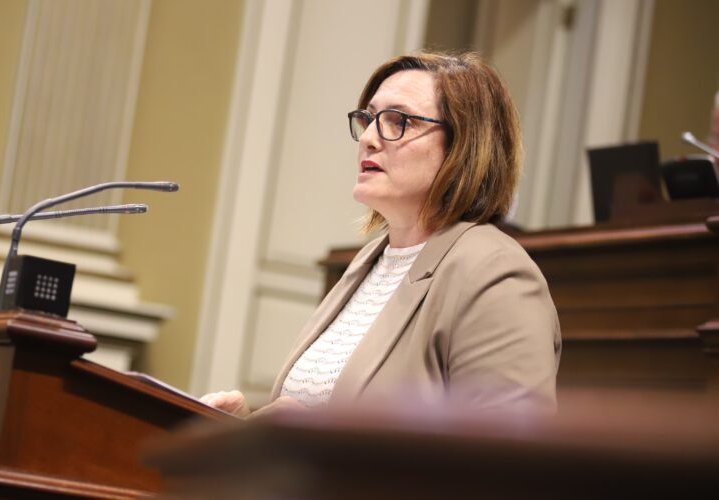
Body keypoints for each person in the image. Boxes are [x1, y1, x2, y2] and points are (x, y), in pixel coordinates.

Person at [201, 51, 561, 417]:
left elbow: (509, 447)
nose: (369, 138)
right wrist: (247, 428)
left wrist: (314, 439)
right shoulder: (369, 261)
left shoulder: (495, 271)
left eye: (398, 121)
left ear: (464, 146)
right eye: (369, 119)